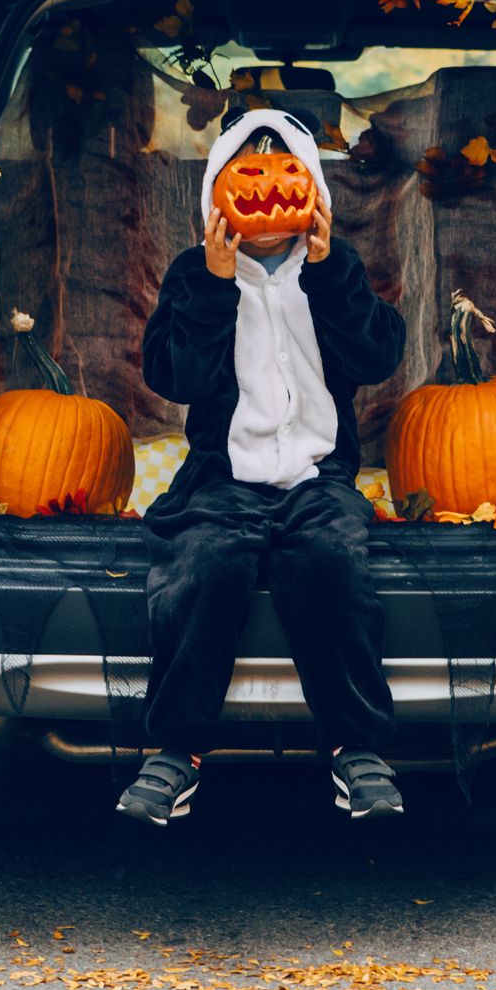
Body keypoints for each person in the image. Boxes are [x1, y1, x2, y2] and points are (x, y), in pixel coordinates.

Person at [116, 109, 408, 826]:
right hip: (223, 479)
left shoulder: (334, 272)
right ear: (217, 194)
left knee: (334, 563)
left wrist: (332, 272)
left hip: (317, 478)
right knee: (204, 566)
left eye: (287, 177)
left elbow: (377, 356)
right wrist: (215, 285)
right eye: (247, 176)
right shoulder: (195, 276)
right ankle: (176, 751)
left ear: (315, 195)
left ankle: (354, 744)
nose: (267, 191)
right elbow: (174, 375)